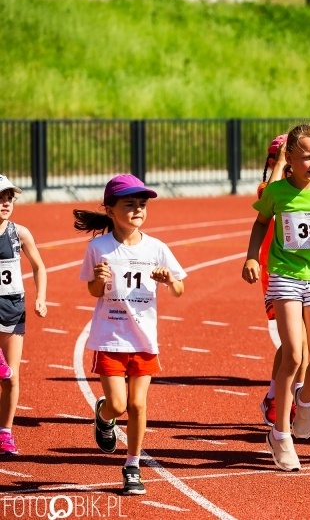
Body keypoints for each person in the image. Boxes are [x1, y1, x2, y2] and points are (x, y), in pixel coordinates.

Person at [242, 122, 310, 472]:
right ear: (290, 157)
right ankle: (281, 433)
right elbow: (261, 223)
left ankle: (304, 401)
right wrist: (250, 256)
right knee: (294, 354)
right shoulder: (277, 193)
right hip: (286, 277)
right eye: (307, 156)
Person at [75, 174, 186, 495]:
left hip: (143, 339)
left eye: (142, 204)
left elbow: (179, 288)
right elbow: (94, 291)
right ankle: (103, 413)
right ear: (110, 210)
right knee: (118, 404)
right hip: (109, 337)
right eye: (130, 204)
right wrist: (98, 278)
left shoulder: (157, 248)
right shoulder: (99, 247)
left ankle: (133, 465)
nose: (138, 210)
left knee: (138, 405)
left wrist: (169, 280)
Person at [255, 134, 308, 429]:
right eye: (285, 158)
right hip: (276, 273)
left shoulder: (309, 189)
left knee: (306, 349)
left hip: (309, 274)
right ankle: (278, 399)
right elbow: (267, 197)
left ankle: (288, 397)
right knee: (295, 344)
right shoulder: (271, 189)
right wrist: (283, 160)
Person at [0, 175, 47, 455]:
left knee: (11, 377)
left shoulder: (20, 233)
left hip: (13, 307)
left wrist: (41, 297)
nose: (5, 203)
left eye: (9, 198)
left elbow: (39, 267)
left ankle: (5, 433)